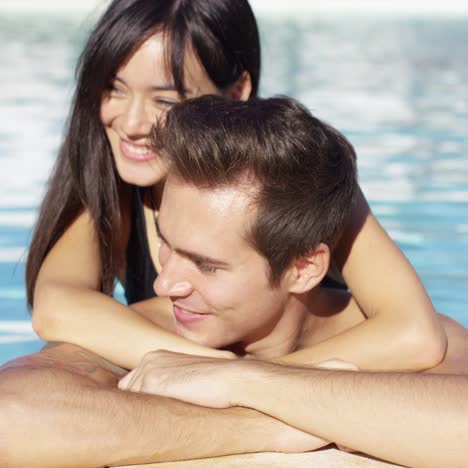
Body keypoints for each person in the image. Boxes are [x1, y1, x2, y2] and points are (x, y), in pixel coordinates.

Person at [2, 96, 467, 468]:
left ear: (303, 268)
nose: (164, 285)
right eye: (167, 242)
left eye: (205, 265)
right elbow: (12, 419)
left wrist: (242, 381)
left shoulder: (408, 338)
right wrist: (259, 426)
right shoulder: (149, 330)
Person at [27, 0, 445, 372]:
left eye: (165, 101)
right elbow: (57, 309)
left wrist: (248, 383)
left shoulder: (294, 177)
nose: (132, 124)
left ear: (237, 91)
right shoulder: (110, 189)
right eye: (114, 89)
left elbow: (416, 334)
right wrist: (212, 370)